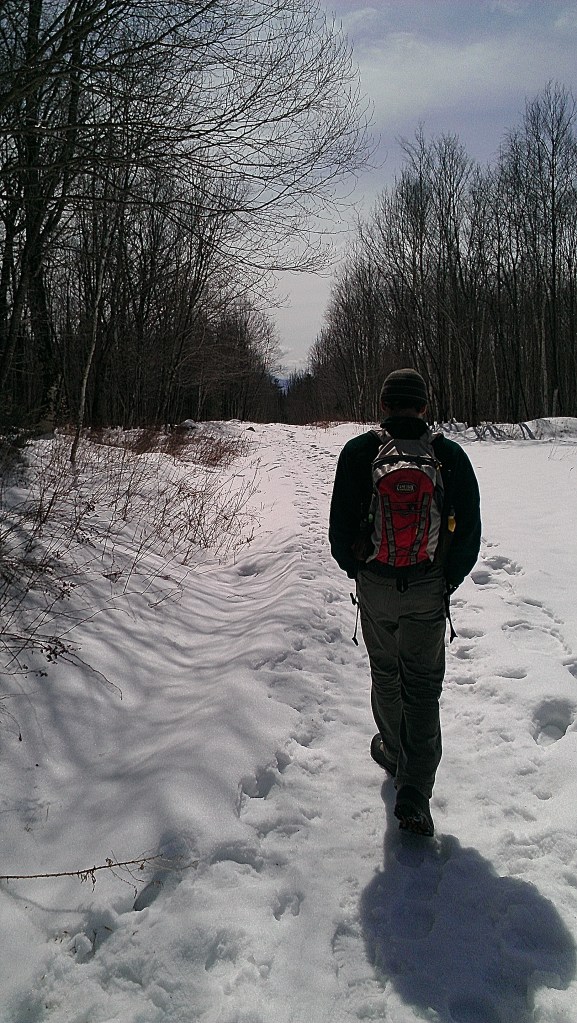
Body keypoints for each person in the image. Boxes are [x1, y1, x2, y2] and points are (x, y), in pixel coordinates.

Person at [329, 368, 481, 836]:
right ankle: (415, 789)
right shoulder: (449, 456)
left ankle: (393, 753)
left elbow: (339, 535)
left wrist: (362, 571)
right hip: (426, 586)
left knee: (386, 674)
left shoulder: (359, 453)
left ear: (383, 405)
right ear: (424, 406)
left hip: (376, 585)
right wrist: (444, 581)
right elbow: (470, 534)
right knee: (422, 684)